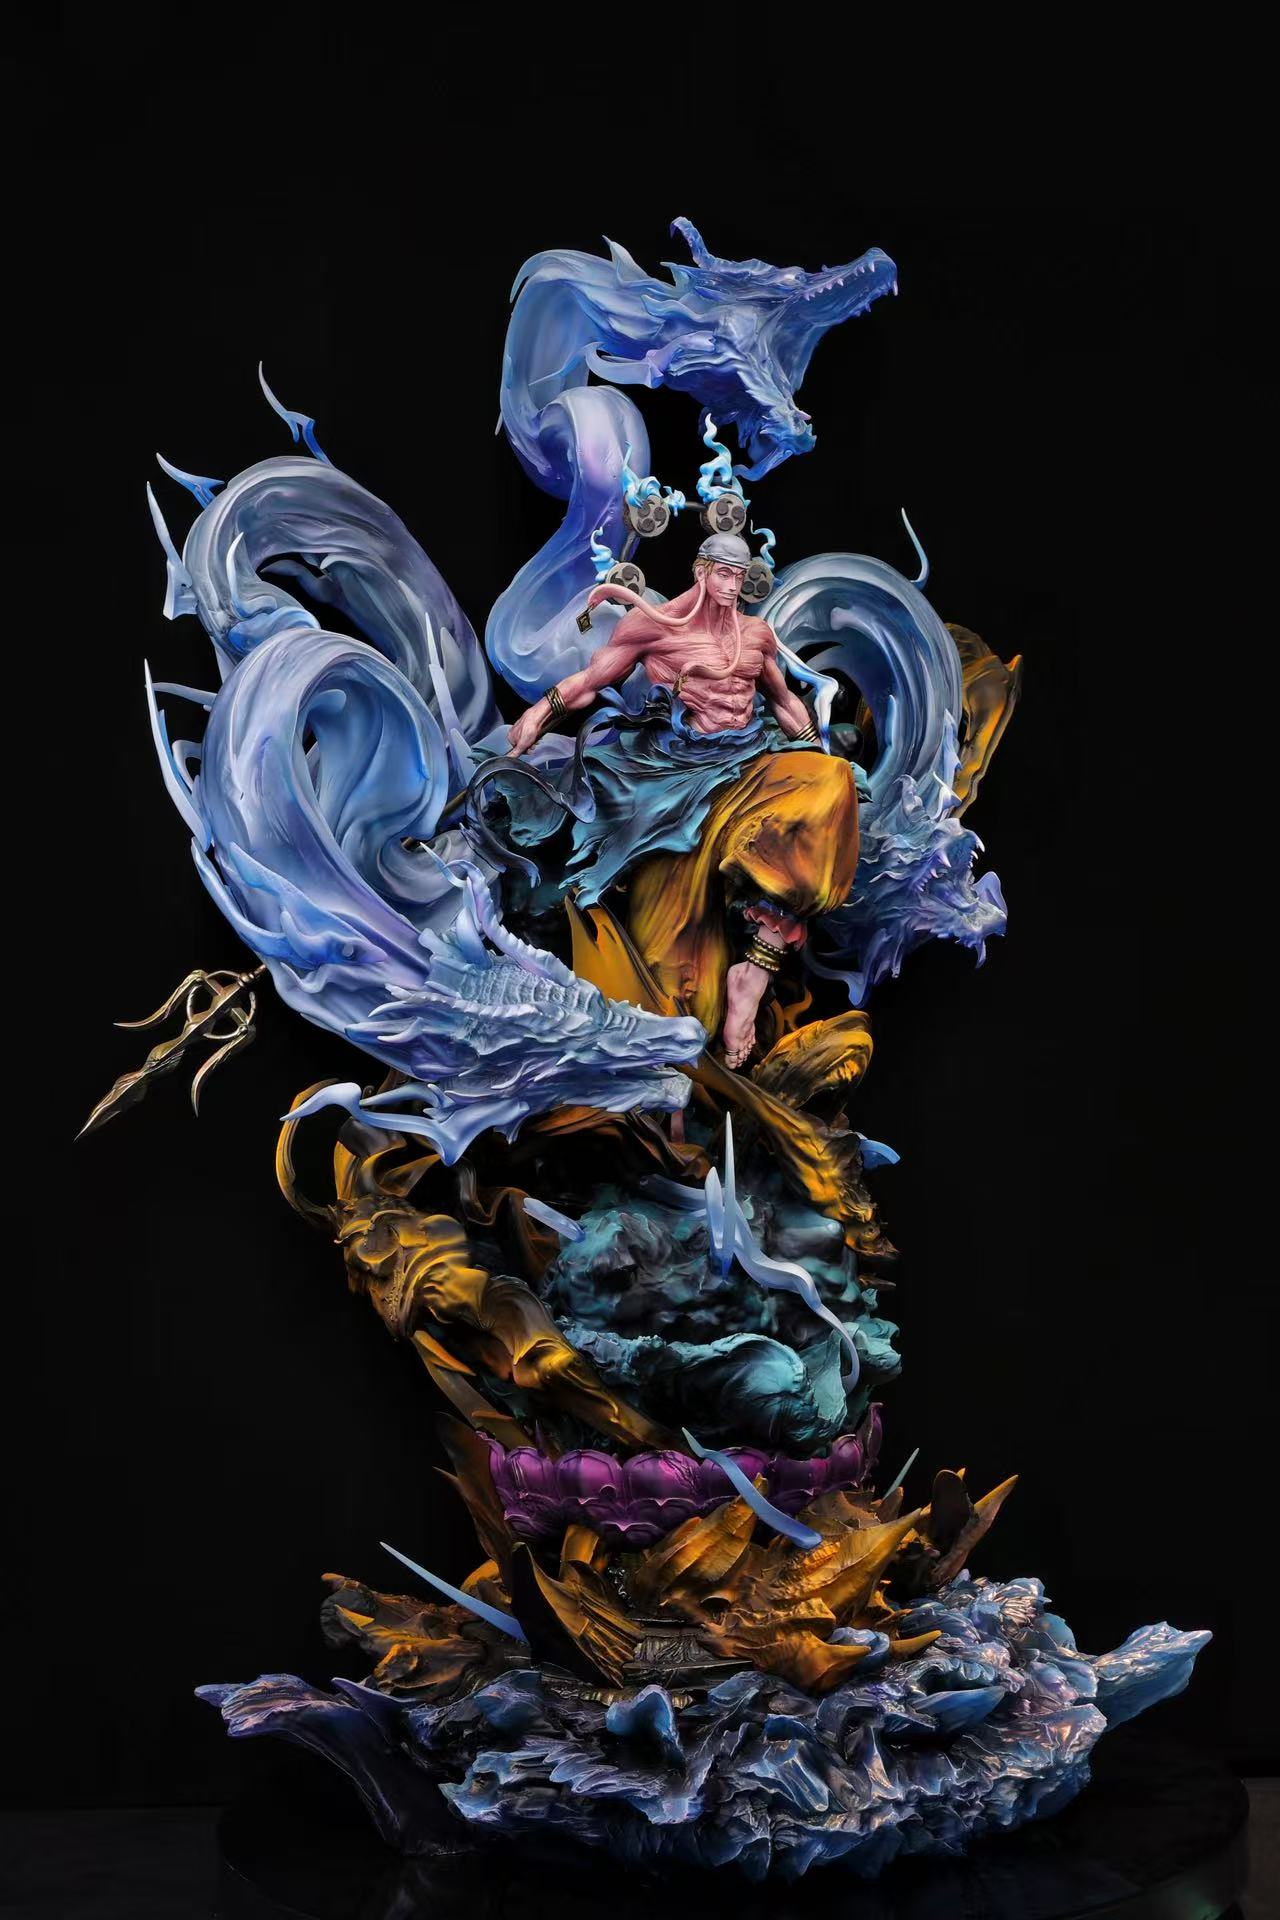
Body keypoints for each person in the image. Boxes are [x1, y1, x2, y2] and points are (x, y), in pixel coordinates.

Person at [504, 533, 860, 1069]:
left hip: (750, 761)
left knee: (832, 783)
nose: (733, 585)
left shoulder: (756, 634)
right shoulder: (651, 628)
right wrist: (540, 712)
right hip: (679, 775)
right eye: (724, 573)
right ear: (701, 571)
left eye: (740, 576)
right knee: (679, 979)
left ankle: (756, 970)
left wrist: (813, 749)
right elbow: (589, 682)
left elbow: (785, 702)